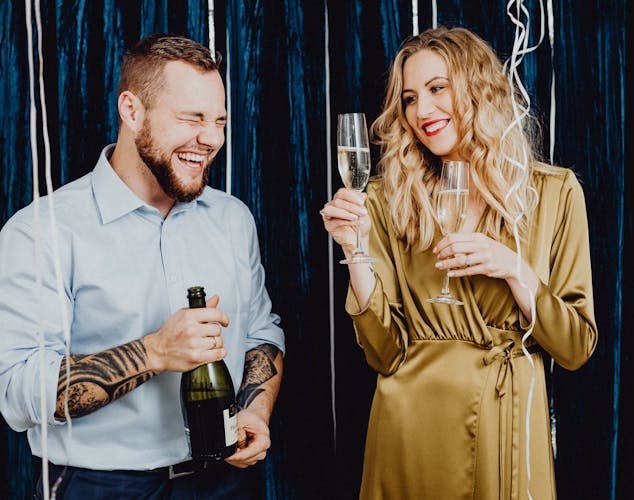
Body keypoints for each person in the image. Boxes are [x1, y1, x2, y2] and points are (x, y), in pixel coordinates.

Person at [0, 34, 284, 499]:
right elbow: (17, 391)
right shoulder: (41, 231)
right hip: (99, 485)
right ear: (131, 111)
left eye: (219, 121)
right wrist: (155, 351)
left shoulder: (233, 219)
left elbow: (260, 335)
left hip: (225, 481)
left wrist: (254, 412)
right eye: (191, 118)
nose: (211, 138)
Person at [321, 26, 597, 499]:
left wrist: (513, 268)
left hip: (507, 419)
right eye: (409, 98)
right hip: (411, 429)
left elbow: (575, 346)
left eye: (436, 89)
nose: (421, 111)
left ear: (478, 88)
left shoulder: (554, 192)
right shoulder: (386, 200)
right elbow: (384, 353)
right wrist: (354, 249)